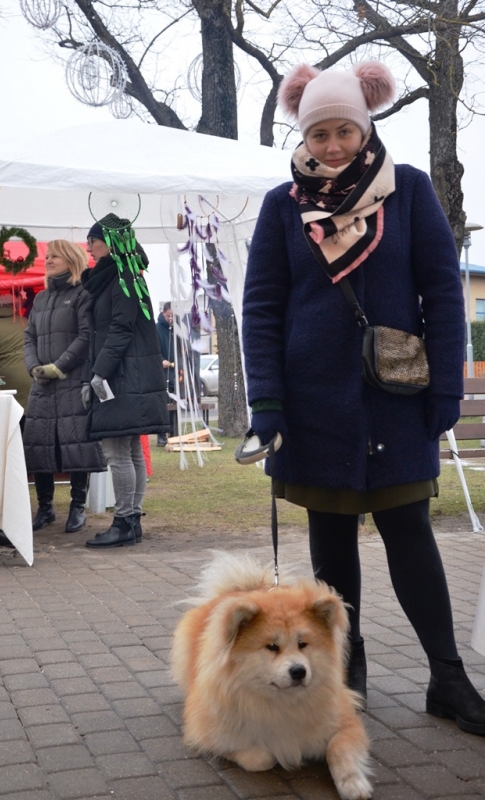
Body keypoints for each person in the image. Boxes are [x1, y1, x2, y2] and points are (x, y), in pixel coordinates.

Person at [242, 60, 485, 733]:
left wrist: (446, 387)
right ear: (305, 135)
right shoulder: (281, 206)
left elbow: (441, 290)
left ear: (365, 123)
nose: (333, 145)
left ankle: (447, 678)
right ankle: (347, 678)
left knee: (412, 539)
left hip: (395, 400)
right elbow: (261, 308)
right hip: (313, 407)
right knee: (332, 552)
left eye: (344, 129)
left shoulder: (405, 191)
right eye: (319, 133)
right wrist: (266, 401)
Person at [81, 214, 169, 548]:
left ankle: (125, 520)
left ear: (112, 243)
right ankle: (130, 519)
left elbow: (120, 330)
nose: (89, 247)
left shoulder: (121, 279)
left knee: (119, 450)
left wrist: (98, 373)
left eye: (94, 240)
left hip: (122, 376)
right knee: (129, 449)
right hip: (127, 374)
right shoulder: (122, 277)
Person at [23, 240, 106, 533]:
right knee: (39, 445)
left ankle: (77, 507)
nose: (48, 260)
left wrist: (60, 365)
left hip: (71, 382)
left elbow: (86, 336)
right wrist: (33, 366)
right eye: (47, 256)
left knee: (76, 445)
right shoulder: (42, 299)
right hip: (42, 386)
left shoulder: (83, 294)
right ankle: (45, 508)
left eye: (54, 256)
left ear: (70, 259)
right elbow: (29, 337)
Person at [156, 301, 175, 446]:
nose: (171, 319)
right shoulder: (157, 329)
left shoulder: (176, 330)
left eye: (173, 316)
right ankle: (161, 435)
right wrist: (160, 360)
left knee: (175, 402)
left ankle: (174, 432)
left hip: (175, 372)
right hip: (161, 372)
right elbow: (153, 349)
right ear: (164, 313)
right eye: (169, 316)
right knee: (162, 404)